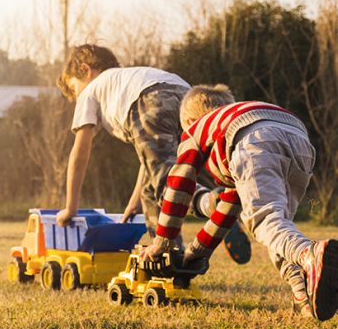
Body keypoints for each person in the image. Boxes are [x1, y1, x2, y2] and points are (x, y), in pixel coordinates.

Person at [141, 84, 338, 321]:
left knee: (265, 221)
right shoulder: (232, 122)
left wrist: (162, 241)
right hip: (300, 139)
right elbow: (228, 207)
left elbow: (179, 183)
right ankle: (302, 295)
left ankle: (309, 253)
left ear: (190, 121)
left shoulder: (197, 129)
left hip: (257, 141)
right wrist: (196, 252)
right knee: (278, 227)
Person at [54, 44, 249, 260]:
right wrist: (134, 201)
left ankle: (210, 207)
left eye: (73, 89)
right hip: (187, 96)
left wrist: (70, 208)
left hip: (150, 100)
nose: (76, 96)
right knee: (153, 190)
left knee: (169, 188)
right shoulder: (128, 78)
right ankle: (174, 255)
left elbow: (80, 153)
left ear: (86, 70)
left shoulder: (91, 90)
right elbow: (151, 160)